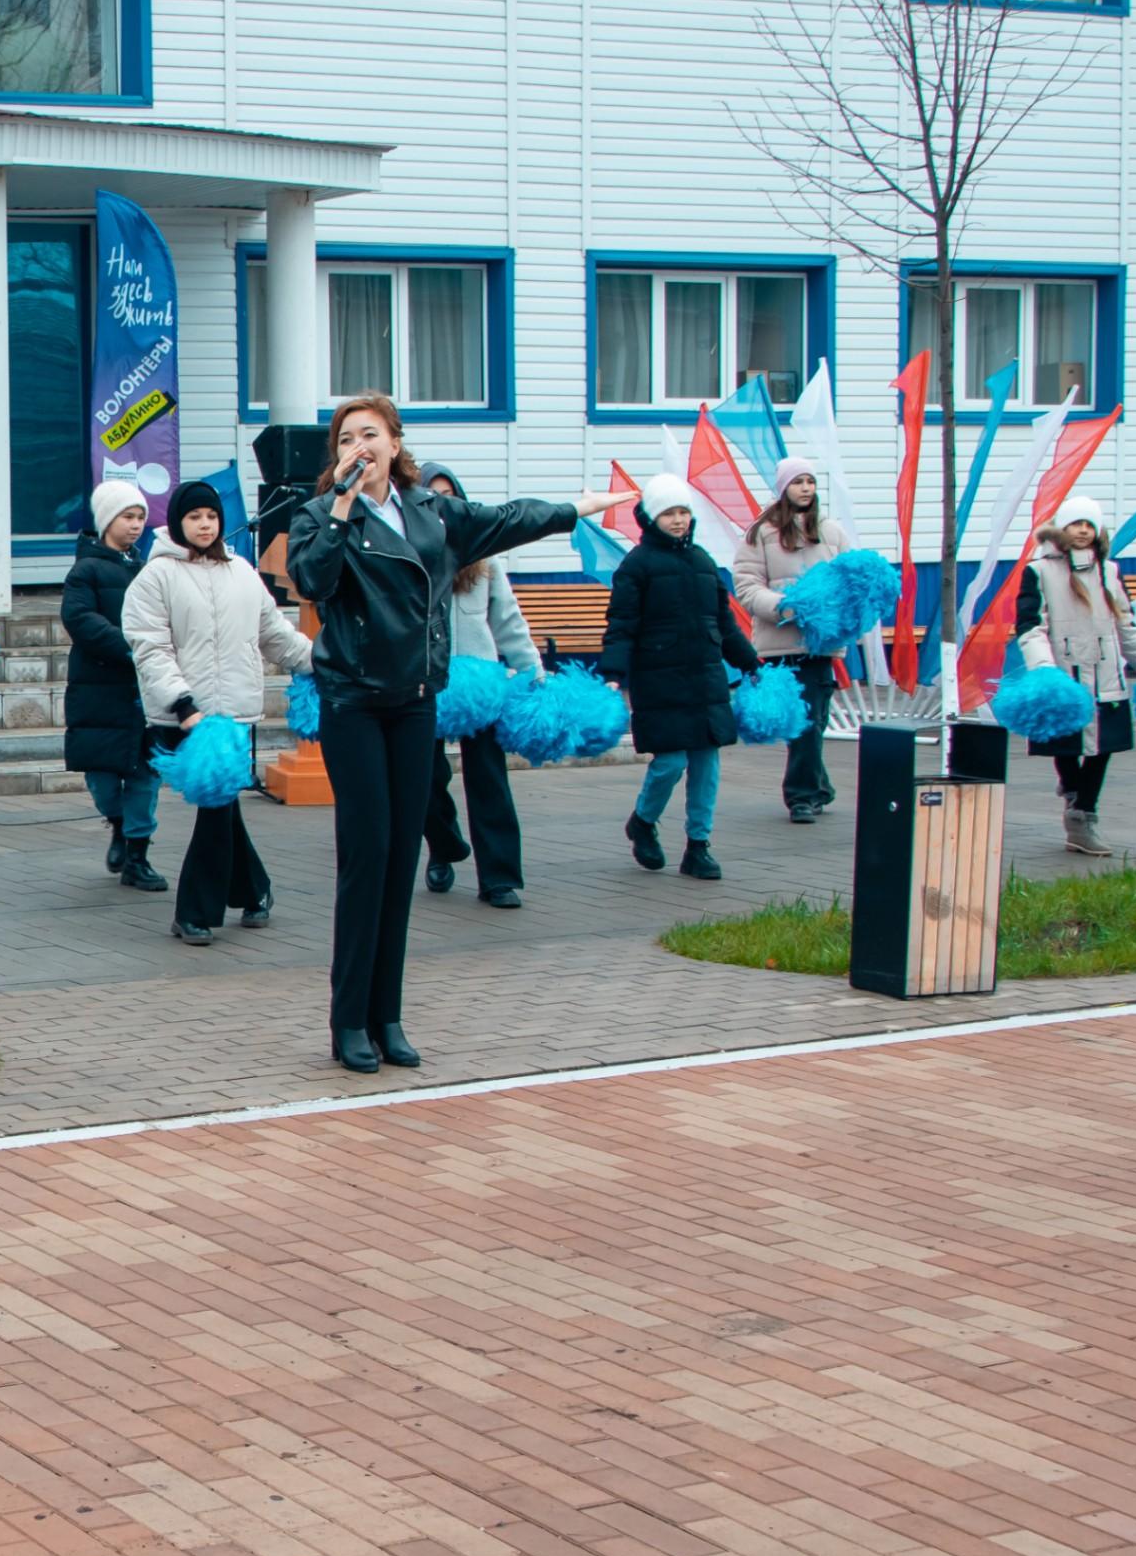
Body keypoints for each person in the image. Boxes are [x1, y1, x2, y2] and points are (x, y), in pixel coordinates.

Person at [286, 396, 625, 1073]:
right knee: (367, 854)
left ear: (394, 443)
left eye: (370, 434)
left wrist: (576, 508)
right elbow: (311, 580)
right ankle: (347, 1020)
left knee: (402, 859)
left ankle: (387, 1016)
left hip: (414, 702)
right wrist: (343, 510)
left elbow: (506, 520)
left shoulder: (430, 513)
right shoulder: (320, 516)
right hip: (353, 702)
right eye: (347, 438)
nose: (359, 445)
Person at [123, 478, 310, 945]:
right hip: (190, 717)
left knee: (222, 808)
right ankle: (195, 912)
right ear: (177, 523)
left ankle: (254, 890)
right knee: (216, 809)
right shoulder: (156, 576)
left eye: (211, 516)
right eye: (194, 517)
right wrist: (182, 703)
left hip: (238, 714)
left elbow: (275, 634)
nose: (204, 524)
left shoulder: (243, 571)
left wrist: (324, 661)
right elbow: (150, 648)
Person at [604, 475, 761, 885]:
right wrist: (613, 676)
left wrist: (750, 663)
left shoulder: (703, 562)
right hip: (659, 679)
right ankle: (643, 821)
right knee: (670, 762)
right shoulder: (636, 566)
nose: (678, 520)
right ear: (651, 518)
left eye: (683, 512)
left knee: (707, 762)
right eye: (669, 513)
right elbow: (622, 625)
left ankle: (698, 846)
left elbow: (723, 622)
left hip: (707, 678)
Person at [415, 467, 537, 911]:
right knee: (424, 781)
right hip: (424, 684)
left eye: (450, 496)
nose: (442, 504)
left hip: (480, 688)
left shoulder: (486, 561)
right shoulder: (406, 555)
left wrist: (531, 673)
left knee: (489, 781)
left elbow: (508, 623)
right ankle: (444, 844)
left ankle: (499, 877)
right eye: (432, 495)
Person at [1013, 494, 1136, 857]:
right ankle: (1072, 791)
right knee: (1064, 743)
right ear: (1062, 527)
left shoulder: (1109, 571)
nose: (1082, 530)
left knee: (1103, 748)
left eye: (1089, 524)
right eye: (1076, 523)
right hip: (1064, 677)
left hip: (1108, 674)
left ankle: (1082, 817)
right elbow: (1030, 627)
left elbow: (1126, 625)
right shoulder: (1039, 570)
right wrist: (1045, 671)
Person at [729, 457, 855, 824]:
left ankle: (816, 788)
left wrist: (839, 612)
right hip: (780, 643)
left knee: (813, 719)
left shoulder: (831, 532)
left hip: (819, 645)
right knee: (801, 720)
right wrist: (786, 608)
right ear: (783, 488)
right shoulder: (761, 534)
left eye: (810, 481)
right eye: (798, 482)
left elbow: (848, 582)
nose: (805, 488)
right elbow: (748, 587)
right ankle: (802, 796)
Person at [62, 480, 165, 895]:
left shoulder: (148, 569)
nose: (137, 525)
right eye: (128, 517)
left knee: (145, 772)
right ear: (107, 521)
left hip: (144, 692)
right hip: (99, 688)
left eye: (141, 517)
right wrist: (133, 649)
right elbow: (81, 619)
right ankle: (119, 823)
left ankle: (138, 855)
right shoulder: (85, 570)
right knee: (102, 774)